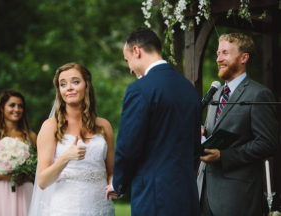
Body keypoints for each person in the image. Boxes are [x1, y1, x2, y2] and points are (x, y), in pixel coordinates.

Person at [106, 27, 202, 215]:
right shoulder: (189, 88)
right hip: (187, 194)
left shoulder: (140, 89)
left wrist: (118, 182)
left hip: (154, 196)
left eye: (128, 61)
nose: (130, 70)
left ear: (136, 51)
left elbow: (128, 146)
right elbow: (195, 147)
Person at [198, 33, 279, 216]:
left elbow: (268, 143)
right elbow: (217, 134)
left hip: (237, 198)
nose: (219, 59)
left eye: (225, 53)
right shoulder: (216, 94)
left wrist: (224, 156)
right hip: (204, 194)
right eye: (218, 53)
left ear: (244, 57)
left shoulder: (259, 95)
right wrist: (203, 134)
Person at [29, 62, 115, 216]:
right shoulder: (51, 127)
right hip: (66, 208)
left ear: (87, 86)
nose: (69, 87)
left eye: (75, 82)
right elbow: (42, 181)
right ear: (59, 91)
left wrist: (113, 185)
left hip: (101, 207)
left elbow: (111, 171)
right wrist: (66, 157)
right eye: (63, 84)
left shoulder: (104, 126)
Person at [0, 89, 37, 216]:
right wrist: (7, 176)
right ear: (1, 108)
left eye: (20, 106)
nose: (16, 109)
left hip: (24, 189)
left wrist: (25, 175)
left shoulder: (31, 136)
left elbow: (37, 167)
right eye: (12, 105)